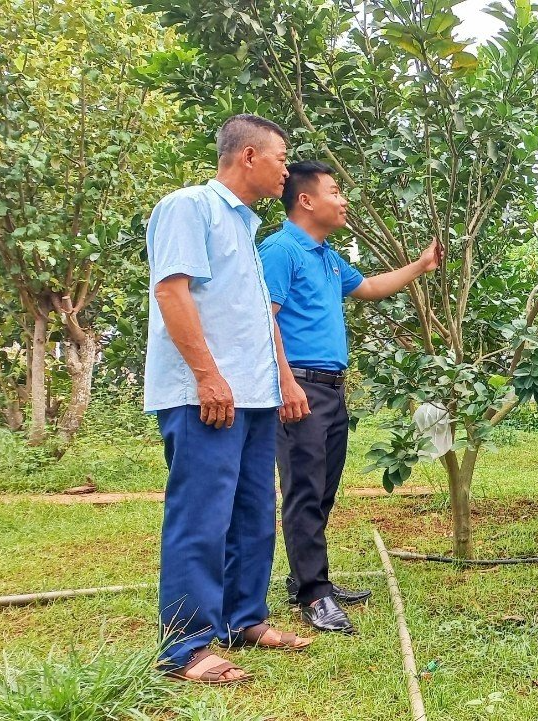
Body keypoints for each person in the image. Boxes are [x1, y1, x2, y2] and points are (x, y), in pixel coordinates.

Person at [145, 114, 314, 685]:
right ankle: (187, 646)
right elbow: (172, 290)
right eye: (280, 157)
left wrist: (283, 382)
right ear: (248, 157)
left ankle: (245, 618)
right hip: (207, 396)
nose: (286, 169)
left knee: (251, 515)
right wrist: (207, 376)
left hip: (253, 396)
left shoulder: (245, 229)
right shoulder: (188, 207)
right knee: (202, 515)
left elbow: (255, 320)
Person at [259, 160, 442, 634]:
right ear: (306, 200)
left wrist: (420, 265)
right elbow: (265, 320)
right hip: (299, 386)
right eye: (335, 192)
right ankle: (315, 595)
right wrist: (285, 384)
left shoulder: (326, 255)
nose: (343, 201)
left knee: (321, 488)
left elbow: (369, 288)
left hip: (330, 388)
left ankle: (308, 578)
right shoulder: (280, 251)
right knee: (302, 489)